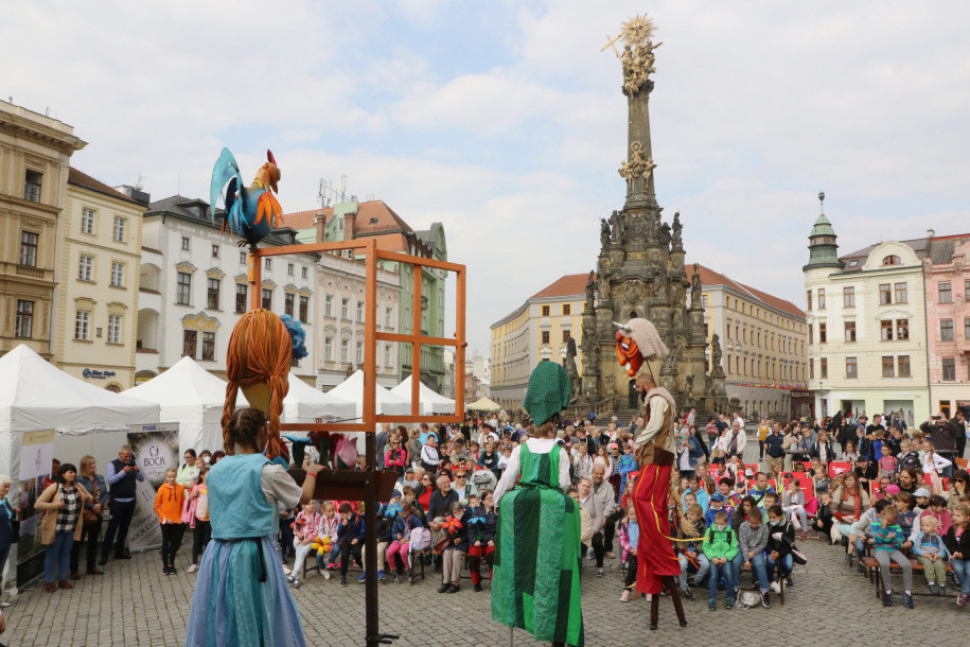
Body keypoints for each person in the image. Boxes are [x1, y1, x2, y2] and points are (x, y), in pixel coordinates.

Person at [184, 407, 323, 646]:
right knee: (258, 614)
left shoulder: (215, 471)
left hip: (217, 552)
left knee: (221, 614)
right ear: (262, 432)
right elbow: (305, 498)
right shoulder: (266, 471)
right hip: (252, 552)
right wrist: (311, 472)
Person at [492, 361, 583, 647]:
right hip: (552, 505)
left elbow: (506, 479)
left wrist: (496, 503)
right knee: (555, 560)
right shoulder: (560, 450)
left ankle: (514, 602)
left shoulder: (520, 448)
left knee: (514, 557)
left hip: (520, 503)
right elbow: (566, 483)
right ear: (552, 428)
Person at [35, 463, 92, 592]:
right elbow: (38, 504)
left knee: (66, 554)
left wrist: (87, 497)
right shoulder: (55, 487)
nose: (72, 474)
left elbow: (90, 497)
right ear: (62, 474)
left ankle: (63, 579)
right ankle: (49, 581)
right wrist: (55, 506)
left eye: (74, 472)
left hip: (70, 527)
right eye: (69, 472)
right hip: (55, 528)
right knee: (52, 554)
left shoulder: (77, 486)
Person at [100, 445, 145, 565]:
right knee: (112, 527)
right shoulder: (113, 464)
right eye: (126, 456)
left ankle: (119, 551)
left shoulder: (134, 462)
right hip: (117, 501)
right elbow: (110, 481)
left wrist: (137, 470)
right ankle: (104, 554)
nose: (128, 458)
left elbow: (141, 479)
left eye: (130, 456)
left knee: (124, 527)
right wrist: (122, 472)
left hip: (130, 500)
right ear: (120, 454)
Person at [870, 504, 913, 608]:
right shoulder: (875, 524)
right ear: (882, 516)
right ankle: (888, 591)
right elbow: (877, 541)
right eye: (887, 521)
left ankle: (907, 592)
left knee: (907, 565)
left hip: (893, 550)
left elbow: (899, 544)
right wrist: (883, 528)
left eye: (891, 521)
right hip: (880, 549)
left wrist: (893, 539)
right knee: (884, 564)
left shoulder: (896, 527)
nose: (889, 523)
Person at [70, 456, 106, 579]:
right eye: (89, 464)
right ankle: (73, 569)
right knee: (78, 542)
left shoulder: (100, 477)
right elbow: (79, 497)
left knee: (93, 541)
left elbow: (105, 493)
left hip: (98, 513)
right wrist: (92, 507)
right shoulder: (80, 480)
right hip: (84, 514)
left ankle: (91, 566)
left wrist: (100, 504)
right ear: (84, 466)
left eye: (93, 463)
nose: (92, 466)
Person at [704, 510, 739, 611]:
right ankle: (712, 598)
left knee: (728, 574)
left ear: (726, 523)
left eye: (721, 524)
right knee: (713, 576)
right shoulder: (709, 530)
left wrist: (727, 557)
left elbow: (734, 548)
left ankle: (730, 597)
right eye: (717, 523)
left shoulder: (730, 532)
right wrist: (712, 557)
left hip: (725, 557)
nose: (719, 526)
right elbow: (706, 546)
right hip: (714, 557)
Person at [154, 467, 186, 575]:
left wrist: (182, 516)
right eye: (169, 477)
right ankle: (165, 565)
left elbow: (183, 504)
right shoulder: (162, 489)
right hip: (166, 521)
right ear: (166, 477)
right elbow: (156, 506)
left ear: (176, 476)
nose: (172, 479)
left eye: (173, 476)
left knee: (174, 543)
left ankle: (172, 564)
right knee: (165, 542)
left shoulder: (180, 488)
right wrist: (164, 518)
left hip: (177, 521)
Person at [739, 506, 771, 608]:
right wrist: (746, 559)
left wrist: (754, 552)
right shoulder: (743, 527)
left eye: (756, 523)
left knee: (760, 565)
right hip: (744, 550)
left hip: (757, 550)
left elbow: (763, 543)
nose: (754, 525)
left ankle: (764, 591)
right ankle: (735, 589)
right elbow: (743, 543)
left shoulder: (764, 527)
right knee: (735, 562)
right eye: (752, 523)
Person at [466, 491, 496, 592]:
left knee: (493, 556)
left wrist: (493, 539)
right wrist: (474, 540)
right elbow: (471, 527)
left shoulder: (497, 511)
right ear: (483, 501)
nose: (491, 500)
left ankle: (494, 581)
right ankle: (476, 581)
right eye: (489, 498)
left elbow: (500, 528)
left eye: (493, 497)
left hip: (490, 541)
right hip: (478, 541)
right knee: (473, 557)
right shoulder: (477, 512)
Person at [913, 515, 949, 596]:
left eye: (927, 525)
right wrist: (924, 554)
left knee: (939, 565)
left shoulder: (937, 537)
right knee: (928, 565)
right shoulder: (920, 535)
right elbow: (916, 547)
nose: (924, 527)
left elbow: (942, 549)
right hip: (923, 555)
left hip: (934, 556)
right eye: (922, 525)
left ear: (934, 527)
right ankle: (931, 583)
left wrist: (938, 555)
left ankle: (942, 584)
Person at [942, 504, 970, 607]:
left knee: (969, 571)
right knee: (958, 569)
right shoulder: (951, 529)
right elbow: (950, 544)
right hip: (957, 556)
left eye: (958, 515)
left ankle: (964, 594)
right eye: (953, 515)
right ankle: (966, 593)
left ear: (966, 517)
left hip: (968, 556)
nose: (954, 517)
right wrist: (955, 552)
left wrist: (963, 554)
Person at [186, 468, 211, 574]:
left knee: (207, 541)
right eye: (207, 474)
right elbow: (191, 502)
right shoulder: (197, 487)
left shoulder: (212, 488)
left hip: (209, 519)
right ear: (202, 476)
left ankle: (207, 563)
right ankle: (194, 563)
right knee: (197, 541)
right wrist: (193, 495)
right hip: (198, 518)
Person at [335, 502, 364, 588]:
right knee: (344, 555)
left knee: (357, 553)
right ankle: (343, 576)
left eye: (344, 514)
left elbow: (363, 532)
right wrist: (343, 526)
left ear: (349, 513)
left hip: (356, 540)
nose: (342, 516)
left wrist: (358, 539)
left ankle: (365, 569)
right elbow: (339, 534)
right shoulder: (342, 521)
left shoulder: (359, 519)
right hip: (345, 540)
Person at [0, 476, 19, 603]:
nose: (7, 489)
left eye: (8, 486)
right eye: (4, 486)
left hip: (6, 540)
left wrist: (12, 511)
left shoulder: (5, 500)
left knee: (0, 571)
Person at [618, 505, 640, 602]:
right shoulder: (625, 526)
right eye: (631, 514)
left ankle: (648, 590)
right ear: (627, 515)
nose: (634, 516)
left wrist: (641, 549)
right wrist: (631, 550)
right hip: (630, 551)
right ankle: (627, 589)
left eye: (636, 514)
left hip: (642, 551)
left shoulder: (643, 525)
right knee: (632, 567)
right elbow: (622, 540)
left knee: (647, 568)